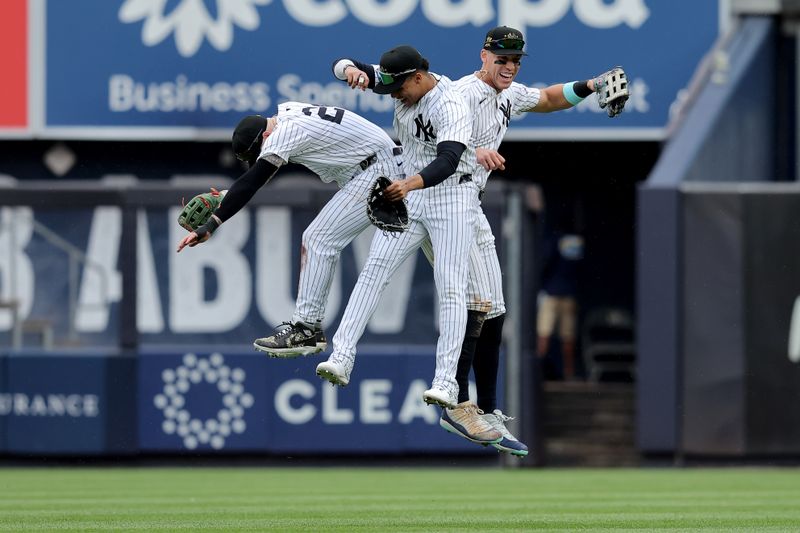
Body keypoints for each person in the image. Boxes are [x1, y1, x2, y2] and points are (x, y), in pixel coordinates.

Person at [425, 26, 626, 455]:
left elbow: (549, 99)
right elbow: (431, 138)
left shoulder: (507, 94)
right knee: (459, 300)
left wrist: (590, 86)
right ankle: (456, 402)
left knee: (493, 306)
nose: (510, 67)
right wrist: (470, 150)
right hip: (438, 201)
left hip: (467, 202)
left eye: (515, 60)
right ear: (483, 56)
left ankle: (487, 408)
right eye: (502, 59)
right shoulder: (459, 94)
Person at [315, 45, 486, 415]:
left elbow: (449, 160)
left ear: (419, 77)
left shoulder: (450, 103)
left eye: (398, 87)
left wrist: (408, 185)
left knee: (452, 286)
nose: (392, 94)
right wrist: (350, 71)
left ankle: (445, 381)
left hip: (453, 196)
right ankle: (342, 357)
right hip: (413, 193)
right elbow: (341, 61)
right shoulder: (402, 79)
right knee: (375, 269)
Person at [176, 102, 404, 357]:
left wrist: (212, 224)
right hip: (381, 164)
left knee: (318, 239)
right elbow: (258, 174)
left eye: (260, 152)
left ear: (265, 136)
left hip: (377, 170)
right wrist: (228, 196)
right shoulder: (287, 115)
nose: (262, 157)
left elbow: (255, 179)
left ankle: (305, 330)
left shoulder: (286, 132)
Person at [537, 223, 584, 380]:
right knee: (567, 337)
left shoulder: (555, 239)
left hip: (552, 292)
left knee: (544, 334)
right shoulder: (577, 242)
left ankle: (538, 373)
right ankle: (568, 373)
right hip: (569, 292)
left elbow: (545, 261)